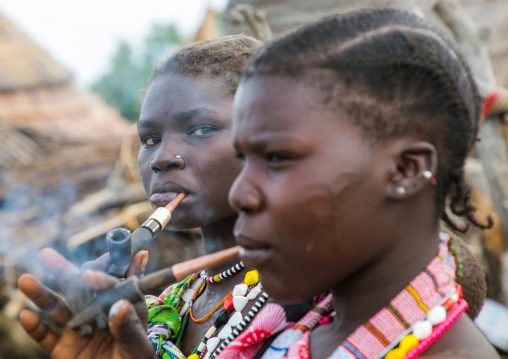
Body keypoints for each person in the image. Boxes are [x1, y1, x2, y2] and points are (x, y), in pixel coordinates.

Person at [17, 29, 488, 359]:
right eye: (148, 140)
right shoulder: (181, 298)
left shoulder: (312, 305)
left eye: (201, 130)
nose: (162, 158)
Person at [226, 8, 499, 359]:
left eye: (277, 158)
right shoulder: (294, 336)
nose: (239, 195)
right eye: (243, 160)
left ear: (405, 170)